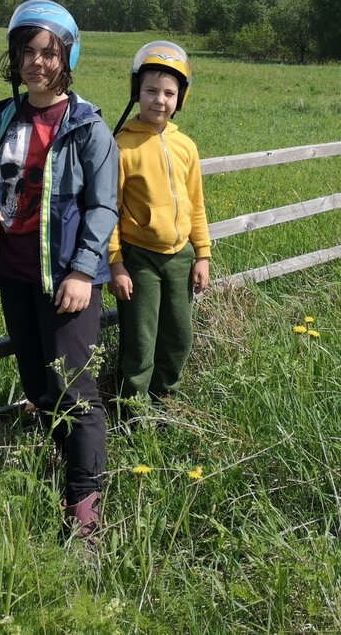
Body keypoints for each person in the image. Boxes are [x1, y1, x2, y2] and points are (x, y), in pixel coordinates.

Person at [0, 0, 118, 548]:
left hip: (67, 281)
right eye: (28, 51)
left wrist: (84, 273)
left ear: (67, 59)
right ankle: (58, 475)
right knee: (39, 387)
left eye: (49, 53)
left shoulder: (87, 126)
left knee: (74, 389)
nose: (37, 62)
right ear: (14, 57)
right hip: (15, 277)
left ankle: (85, 519)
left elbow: (103, 207)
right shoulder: (1, 118)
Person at [108, 41, 211, 412]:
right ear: (136, 91)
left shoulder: (186, 146)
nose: (159, 100)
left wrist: (202, 254)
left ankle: (166, 402)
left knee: (179, 336)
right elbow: (109, 212)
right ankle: (133, 413)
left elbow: (196, 205)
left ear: (181, 97)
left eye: (169, 93)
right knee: (140, 340)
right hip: (139, 260)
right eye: (151, 90)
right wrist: (116, 264)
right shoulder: (121, 147)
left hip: (181, 257)